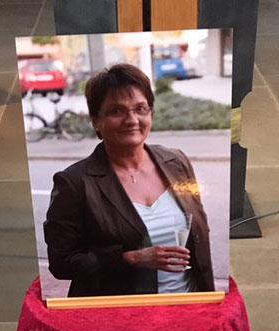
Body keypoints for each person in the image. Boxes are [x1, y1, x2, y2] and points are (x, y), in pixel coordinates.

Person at [44, 63, 214, 298]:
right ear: (96, 120)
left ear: (151, 112)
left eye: (140, 108)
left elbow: (198, 234)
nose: (131, 119)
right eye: (116, 111)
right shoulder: (75, 183)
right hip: (123, 318)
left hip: (187, 306)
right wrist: (132, 258)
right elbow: (61, 263)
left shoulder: (176, 162)